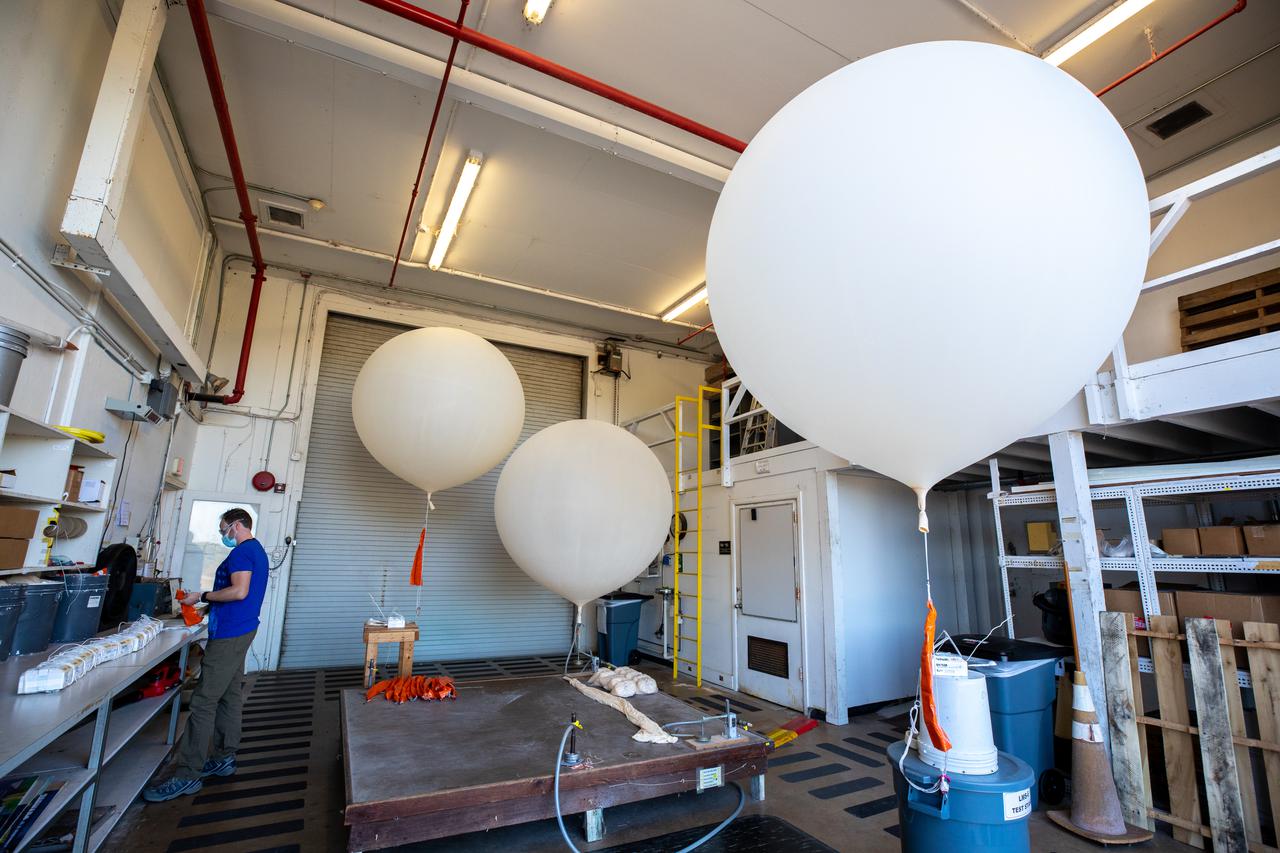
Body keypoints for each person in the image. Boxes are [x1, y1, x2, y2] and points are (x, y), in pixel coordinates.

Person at [143, 508, 269, 802]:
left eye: (224, 529)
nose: (223, 534)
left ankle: (187, 775)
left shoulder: (242, 553)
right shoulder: (256, 551)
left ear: (236, 525)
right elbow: (239, 593)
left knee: (203, 701)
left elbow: (239, 591)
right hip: (241, 627)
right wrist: (207, 607)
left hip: (229, 633)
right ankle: (224, 757)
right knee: (229, 696)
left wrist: (201, 596)